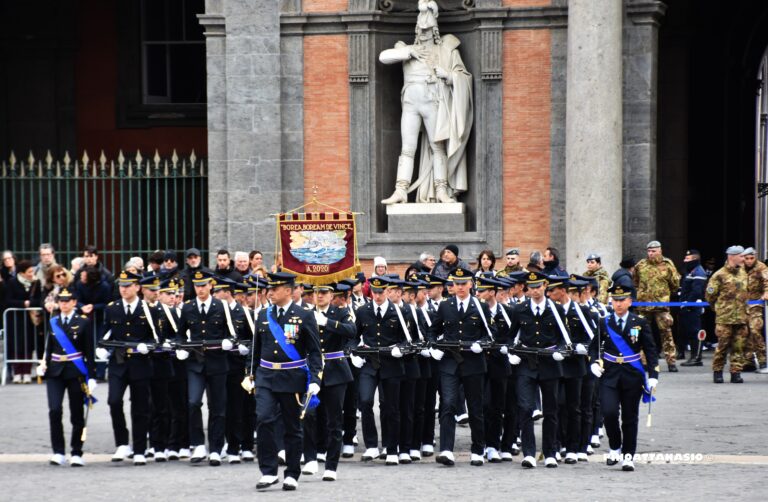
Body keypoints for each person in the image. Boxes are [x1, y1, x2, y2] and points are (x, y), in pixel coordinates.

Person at [379, 0, 472, 204]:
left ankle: (441, 190)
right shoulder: (406, 49)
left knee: (437, 147)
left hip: (433, 103)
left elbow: (463, 76)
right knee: (407, 148)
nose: (424, 33)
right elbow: (383, 56)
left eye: (428, 30)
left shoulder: (446, 51)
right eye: (421, 30)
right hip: (411, 105)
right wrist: (407, 52)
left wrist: (447, 76)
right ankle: (401, 190)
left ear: (434, 31)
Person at [252, 272, 322, 491]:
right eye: (269, 289)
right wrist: (250, 373)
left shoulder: (304, 315)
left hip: (292, 378)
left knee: (292, 426)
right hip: (265, 376)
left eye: (275, 288)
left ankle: (292, 472)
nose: (270, 292)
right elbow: (256, 349)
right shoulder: (263, 315)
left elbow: (314, 351)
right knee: (263, 419)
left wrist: (315, 378)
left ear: (289, 290)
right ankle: (269, 471)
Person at [427, 268, 495, 467]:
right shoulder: (446, 306)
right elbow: (433, 331)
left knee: (475, 407)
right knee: (448, 404)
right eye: (457, 284)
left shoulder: (480, 306)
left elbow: (491, 333)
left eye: (464, 284)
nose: (460, 287)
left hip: (473, 363)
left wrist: (480, 345)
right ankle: (447, 450)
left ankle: (477, 450)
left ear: (471, 285)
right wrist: (433, 347)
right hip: (449, 361)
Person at [175, 270, 241, 465]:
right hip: (196, 362)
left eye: (203, 285)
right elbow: (180, 334)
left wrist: (229, 342)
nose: (200, 289)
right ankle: (198, 444)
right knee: (193, 402)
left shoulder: (221, 307)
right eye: (197, 286)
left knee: (218, 407)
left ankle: (215, 448)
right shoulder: (188, 308)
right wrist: (181, 348)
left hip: (217, 363)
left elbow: (232, 333)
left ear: (210, 286)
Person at [591, 284, 658, 472]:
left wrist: (653, 375)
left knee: (630, 418)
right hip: (610, 374)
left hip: (632, 374)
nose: (618, 304)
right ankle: (614, 446)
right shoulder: (604, 321)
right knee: (609, 412)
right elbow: (593, 346)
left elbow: (651, 350)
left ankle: (628, 456)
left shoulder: (640, 322)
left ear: (629, 301)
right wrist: (593, 362)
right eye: (615, 300)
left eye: (622, 300)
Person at [96, 270, 160, 465]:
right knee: (114, 401)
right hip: (119, 363)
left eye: (128, 285)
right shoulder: (112, 308)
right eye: (121, 286)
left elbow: (156, 339)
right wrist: (101, 349)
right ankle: (122, 443)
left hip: (140, 364)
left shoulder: (148, 309)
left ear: (137, 287)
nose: (123, 289)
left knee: (140, 407)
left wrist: (146, 347)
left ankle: (139, 449)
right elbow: (106, 334)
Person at [507, 272, 570, 469]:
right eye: (531, 287)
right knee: (525, 408)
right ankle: (528, 453)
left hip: (550, 364)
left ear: (544, 286)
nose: (534, 290)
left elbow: (564, 337)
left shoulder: (556, 309)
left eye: (538, 287)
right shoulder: (520, 309)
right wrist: (512, 353)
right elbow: (511, 337)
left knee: (551, 410)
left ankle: (550, 452)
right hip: (526, 363)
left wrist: (561, 351)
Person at [352, 276, 409, 465]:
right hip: (369, 363)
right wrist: (354, 353)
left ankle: (391, 448)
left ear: (387, 291)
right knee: (366, 401)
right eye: (374, 293)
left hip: (391, 364)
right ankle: (371, 446)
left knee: (390, 407)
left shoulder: (398, 312)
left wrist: (400, 349)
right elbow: (354, 336)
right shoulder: (362, 311)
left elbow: (408, 340)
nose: (377, 296)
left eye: (381, 292)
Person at [302, 283, 356, 481]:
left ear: (332, 295)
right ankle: (310, 458)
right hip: (312, 370)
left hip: (335, 370)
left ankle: (331, 466)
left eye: (324, 292)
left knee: (334, 420)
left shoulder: (340, 312)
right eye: (317, 292)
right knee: (308, 415)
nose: (320, 295)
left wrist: (327, 323)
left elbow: (352, 331)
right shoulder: (306, 314)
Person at [38, 287, 97, 467]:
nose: (63, 304)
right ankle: (58, 451)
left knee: (77, 413)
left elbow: (89, 350)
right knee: (54, 410)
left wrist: (92, 375)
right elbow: (49, 346)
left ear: (73, 302)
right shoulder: (53, 321)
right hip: (55, 371)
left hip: (75, 371)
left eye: (67, 301)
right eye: (61, 301)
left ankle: (76, 451)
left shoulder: (83, 322)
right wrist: (44, 363)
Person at [633, 241, 681, 372]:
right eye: (649, 251)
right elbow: (636, 281)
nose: (650, 254)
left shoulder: (668, 265)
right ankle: (642, 361)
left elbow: (675, 284)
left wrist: (662, 294)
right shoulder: (641, 265)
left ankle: (671, 361)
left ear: (660, 251)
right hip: (643, 305)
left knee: (666, 333)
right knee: (640, 332)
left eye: (653, 251)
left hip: (661, 305)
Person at [706, 246, 750, 383]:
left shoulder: (743, 273)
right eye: (741, 256)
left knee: (739, 346)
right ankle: (718, 371)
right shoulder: (719, 275)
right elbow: (710, 295)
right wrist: (719, 308)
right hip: (725, 317)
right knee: (722, 346)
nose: (743, 259)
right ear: (732, 256)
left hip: (742, 316)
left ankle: (736, 372)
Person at [4, 260, 42, 383]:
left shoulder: (36, 282)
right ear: (22, 273)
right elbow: (8, 300)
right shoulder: (12, 283)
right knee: (17, 345)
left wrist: (30, 303)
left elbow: (39, 299)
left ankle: (26, 372)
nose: (32, 274)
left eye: (32, 271)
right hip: (15, 319)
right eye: (29, 271)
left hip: (30, 319)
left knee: (28, 345)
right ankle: (17, 372)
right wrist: (23, 304)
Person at [741, 247, 768, 372]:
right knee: (744, 332)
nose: (749, 261)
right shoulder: (738, 268)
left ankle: (763, 360)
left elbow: (767, 281)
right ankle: (748, 360)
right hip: (741, 305)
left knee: (755, 330)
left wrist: (766, 293)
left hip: (756, 304)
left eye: (752, 258)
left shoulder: (761, 267)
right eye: (747, 258)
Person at [679, 250, 708, 367]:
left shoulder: (698, 272)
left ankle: (696, 357)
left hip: (692, 307)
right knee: (690, 332)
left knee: (695, 332)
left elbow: (696, 291)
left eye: (688, 259)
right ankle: (693, 356)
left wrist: (688, 304)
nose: (685, 261)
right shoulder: (691, 271)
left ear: (694, 260)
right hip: (687, 306)